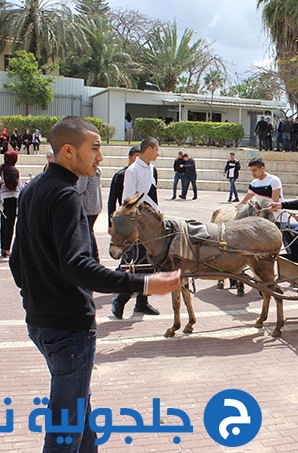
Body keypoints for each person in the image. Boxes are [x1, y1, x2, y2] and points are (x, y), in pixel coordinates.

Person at [9, 116, 180, 452]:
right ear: (69, 150)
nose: (100, 157)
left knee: (79, 413)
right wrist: (144, 284)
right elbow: (78, 266)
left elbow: (17, 262)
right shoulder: (65, 195)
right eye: (95, 148)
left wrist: (36, 299)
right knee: (65, 431)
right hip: (68, 329)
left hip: (40, 323)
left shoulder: (32, 190)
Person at [113, 137, 162, 318]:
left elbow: (153, 196)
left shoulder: (152, 169)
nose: (158, 153)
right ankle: (120, 300)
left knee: (150, 264)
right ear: (149, 149)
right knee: (135, 264)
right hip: (138, 225)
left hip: (151, 224)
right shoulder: (132, 170)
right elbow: (128, 200)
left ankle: (142, 302)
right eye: (157, 149)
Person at [0, 150, 21, 258]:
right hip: (12, 198)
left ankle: (3, 247)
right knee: (10, 224)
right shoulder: (14, 170)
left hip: (2, 198)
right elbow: (18, 186)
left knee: (3, 223)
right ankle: (7, 248)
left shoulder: (0, 169)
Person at [77, 168, 102, 261]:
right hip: (95, 206)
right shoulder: (96, 171)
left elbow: (81, 187)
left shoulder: (85, 171)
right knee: (90, 231)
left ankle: (92, 255)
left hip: (87, 205)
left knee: (87, 232)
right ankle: (94, 255)